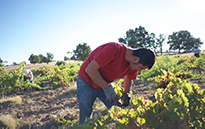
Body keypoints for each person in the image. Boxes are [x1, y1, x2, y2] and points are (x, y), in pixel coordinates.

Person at [77, 42, 156, 124]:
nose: (139, 71)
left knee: (119, 111)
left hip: (104, 83)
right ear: (136, 59)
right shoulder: (114, 49)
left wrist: (127, 93)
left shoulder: (133, 64)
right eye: (141, 68)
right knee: (85, 116)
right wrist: (107, 89)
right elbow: (90, 70)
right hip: (86, 82)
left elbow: (129, 77)